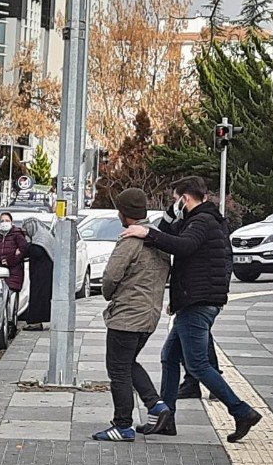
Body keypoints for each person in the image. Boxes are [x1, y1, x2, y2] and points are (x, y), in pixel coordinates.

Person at [123, 176, 263, 443]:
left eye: (176, 200)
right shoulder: (203, 220)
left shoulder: (202, 221)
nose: (175, 204)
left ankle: (241, 410)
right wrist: (167, 216)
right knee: (169, 356)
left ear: (185, 199)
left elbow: (182, 246)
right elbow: (171, 236)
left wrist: (147, 232)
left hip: (198, 302)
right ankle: (167, 418)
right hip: (195, 300)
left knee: (198, 364)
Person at [93, 188, 171, 442]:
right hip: (150, 314)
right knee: (128, 363)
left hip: (127, 314)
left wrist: (108, 294)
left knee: (117, 370)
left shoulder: (129, 241)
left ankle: (123, 425)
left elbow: (111, 277)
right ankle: (156, 405)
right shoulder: (158, 240)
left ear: (124, 213)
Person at [20, 218, 54, 331]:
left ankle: (38, 320)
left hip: (43, 273)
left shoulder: (41, 238)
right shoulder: (39, 235)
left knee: (40, 296)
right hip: (40, 272)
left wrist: (27, 246)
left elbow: (37, 251)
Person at [0, 212, 29, 295]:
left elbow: (24, 250)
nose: (4, 223)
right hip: (0, 274)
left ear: (11, 222)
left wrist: (10, 260)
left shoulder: (17, 234)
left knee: (11, 299)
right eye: (2, 221)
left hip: (14, 274)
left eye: (7, 220)